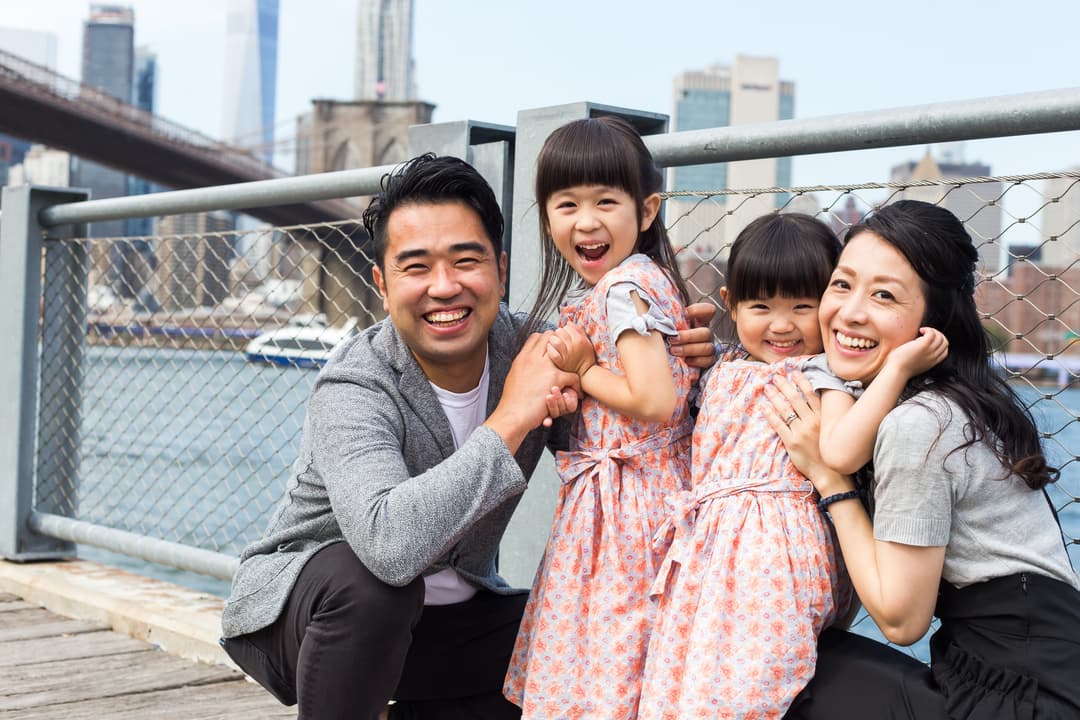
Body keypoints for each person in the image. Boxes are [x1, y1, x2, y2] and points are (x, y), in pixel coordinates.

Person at [219, 153, 717, 720]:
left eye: (466, 260)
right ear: (382, 284)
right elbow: (388, 546)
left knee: (575, 635)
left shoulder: (538, 347)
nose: (445, 286)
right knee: (374, 588)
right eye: (416, 267)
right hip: (307, 615)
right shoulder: (355, 380)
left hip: (449, 623)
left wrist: (695, 364)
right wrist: (512, 416)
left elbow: (633, 434)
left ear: (501, 270)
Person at [770, 200, 1080, 719]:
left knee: (779, 662)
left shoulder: (920, 423)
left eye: (885, 295)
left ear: (932, 323)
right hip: (1020, 673)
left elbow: (900, 620)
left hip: (1023, 696)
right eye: (842, 284)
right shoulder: (949, 402)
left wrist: (831, 480)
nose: (850, 312)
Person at [502, 116, 700, 719]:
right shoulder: (640, 281)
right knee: (624, 655)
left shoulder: (623, 289)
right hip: (630, 497)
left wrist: (585, 371)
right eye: (566, 204)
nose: (585, 221)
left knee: (606, 653)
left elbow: (654, 399)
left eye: (605, 202)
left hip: (628, 507)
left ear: (646, 212)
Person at [636, 213, 845, 719]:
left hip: (772, 557)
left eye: (803, 306)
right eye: (761, 306)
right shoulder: (725, 365)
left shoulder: (824, 373)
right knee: (683, 677)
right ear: (731, 303)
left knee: (753, 686)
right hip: (705, 555)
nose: (781, 324)